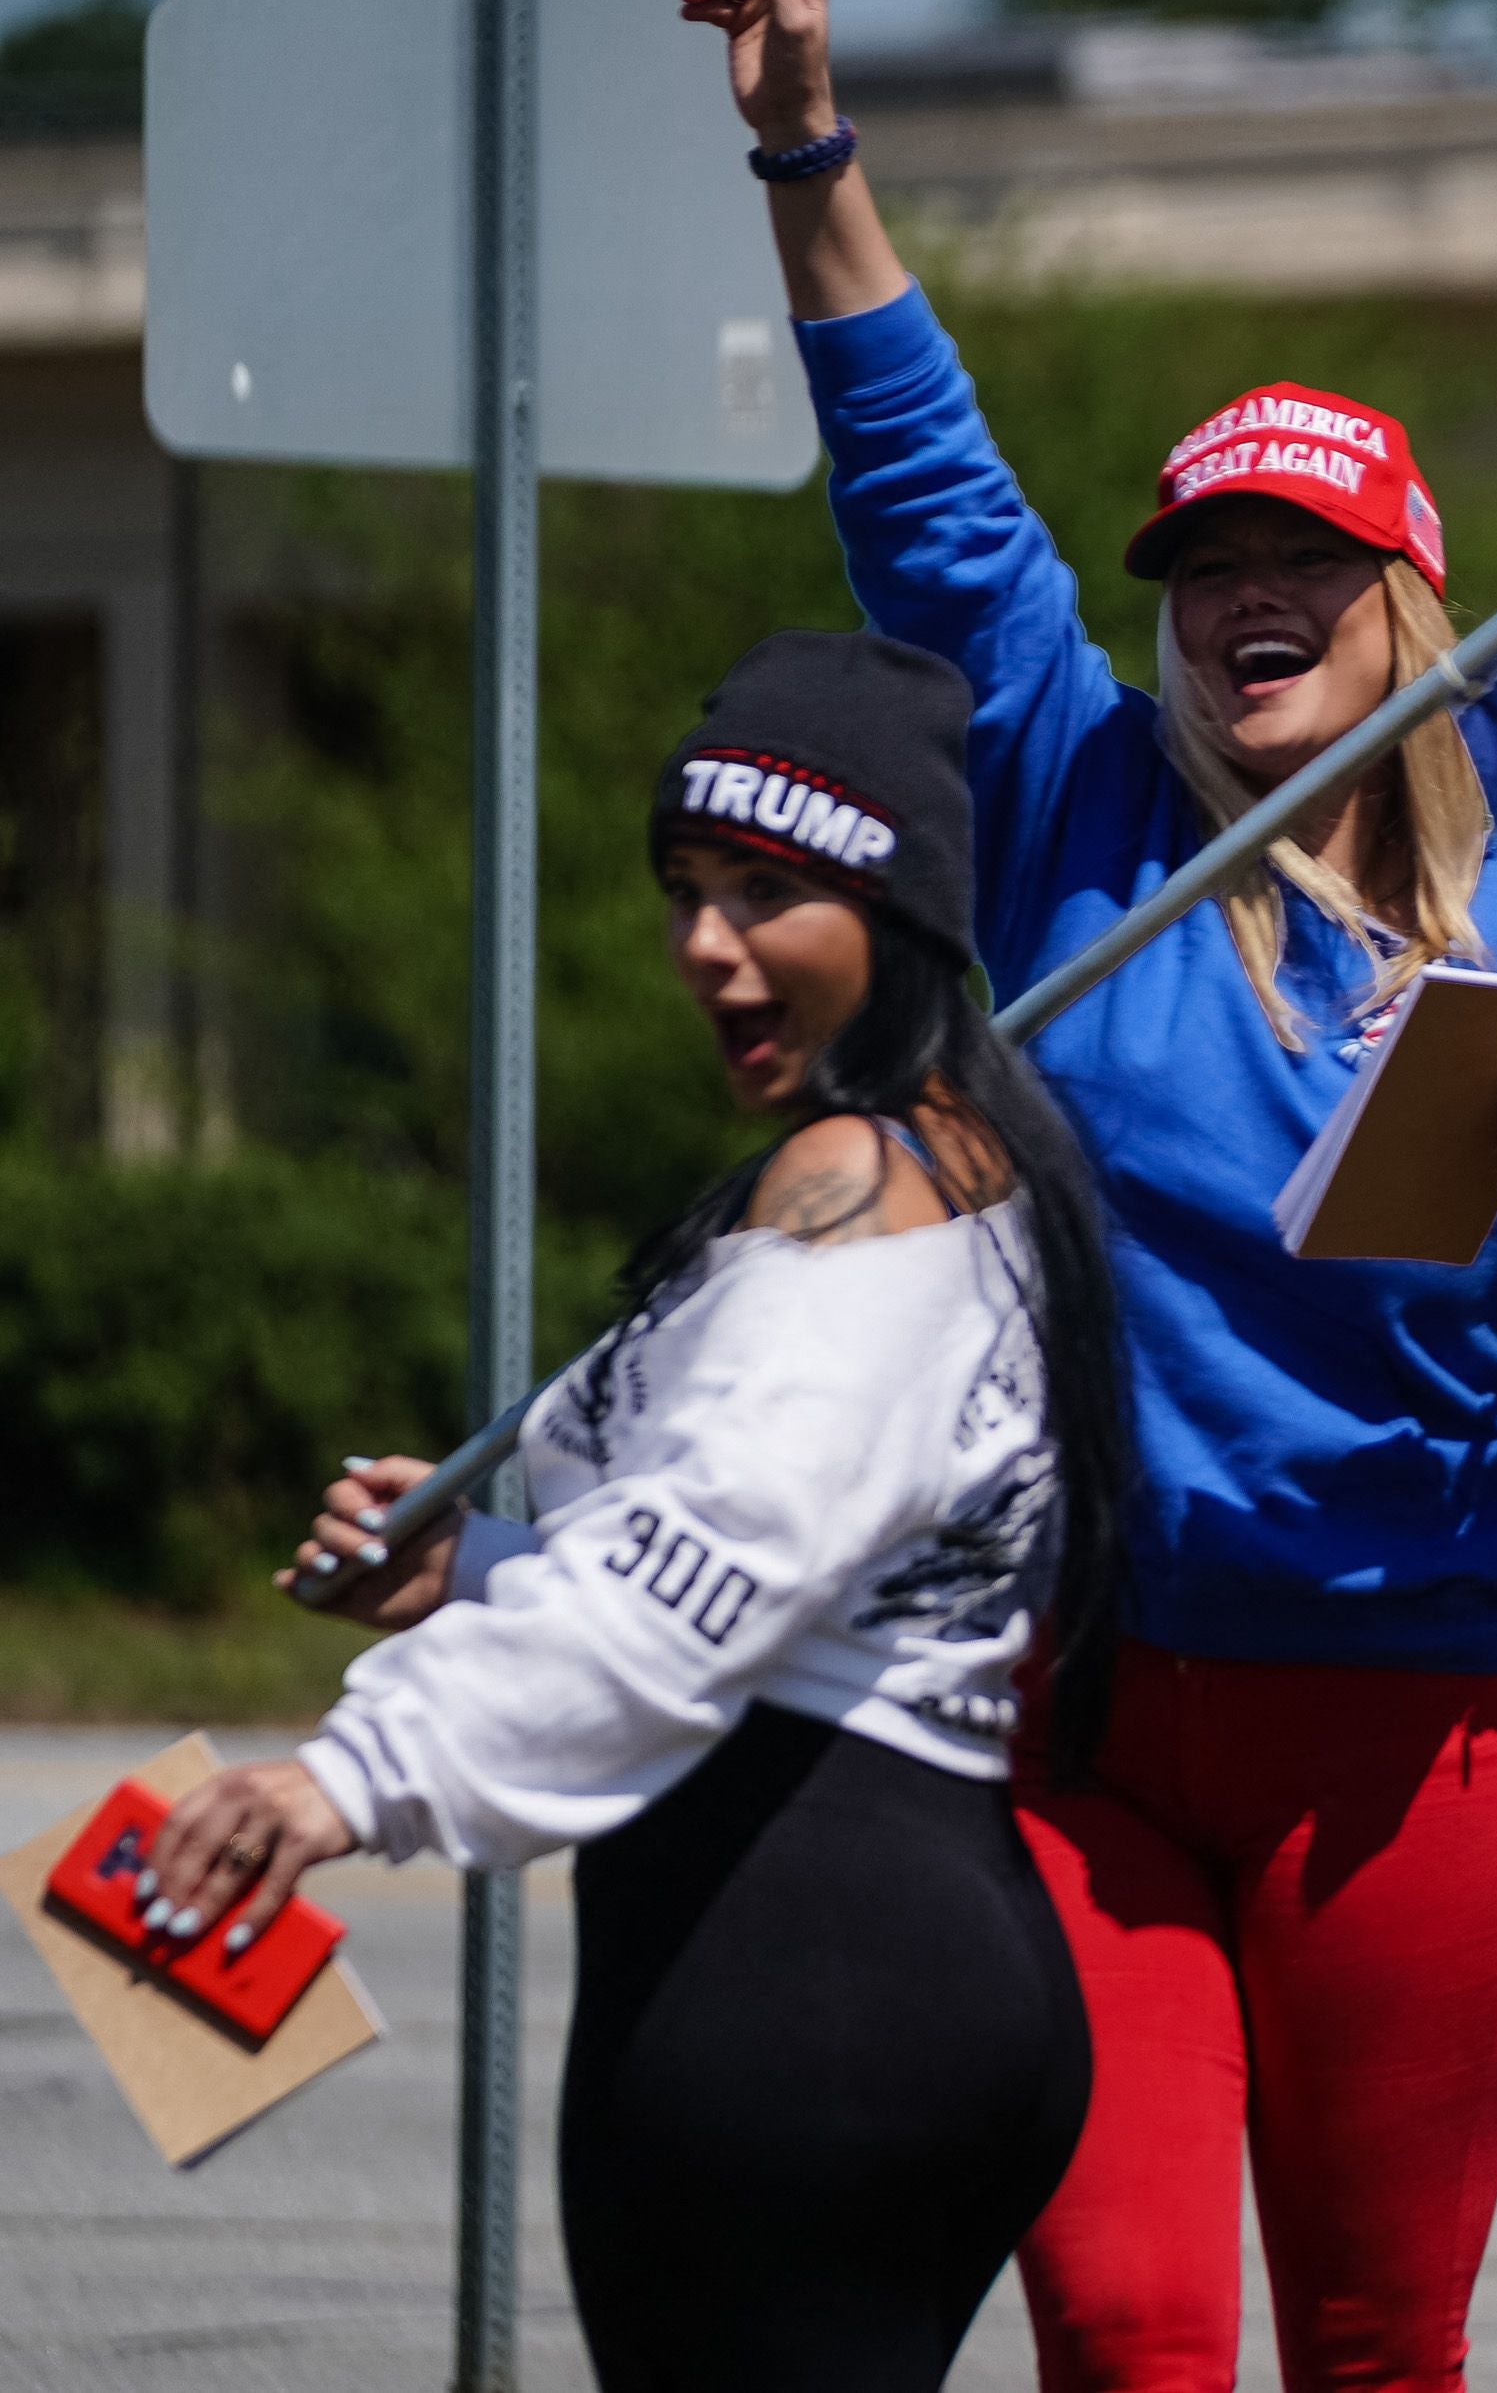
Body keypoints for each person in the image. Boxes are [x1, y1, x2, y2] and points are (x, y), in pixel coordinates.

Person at [682, 0, 1497, 2393]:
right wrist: (810, 142)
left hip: (1417, 1727)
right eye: (1205, 553)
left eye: (1302, 554)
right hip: (1088, 1702)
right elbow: (925, 478)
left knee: (1372, 2342)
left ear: (1402, 593)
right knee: (1119, 2330)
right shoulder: (1074, 789)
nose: (1246, 590)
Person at [142, 630, 1126, 2393]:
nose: (704, 946)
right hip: (896, 1956)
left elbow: (692, 1589)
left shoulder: (854, 1195)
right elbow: (792, 1565)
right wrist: (485, 1567)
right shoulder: (959, 1160)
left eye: (767, 890)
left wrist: (345, 1779)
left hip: (801, 1987)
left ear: (897, 911)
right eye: (687, 889)